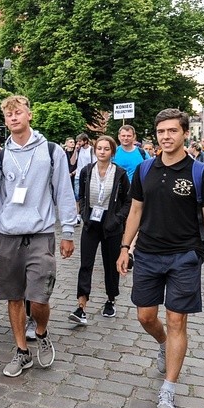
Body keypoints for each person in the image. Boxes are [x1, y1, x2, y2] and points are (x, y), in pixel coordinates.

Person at [117, 109, 204, 408]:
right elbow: (136, 211)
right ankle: (164, 344)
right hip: (148, 254)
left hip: (185, 255)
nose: (166, 137)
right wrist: (125, 247)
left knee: (177, 319)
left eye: (172, 131)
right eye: (161, 132)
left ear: (184, 133)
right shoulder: (144, 170)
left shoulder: (200, 172)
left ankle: (168, 388)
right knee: (145, 316)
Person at [0, 95, 77, 378]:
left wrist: (69, 232)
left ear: (29, 115)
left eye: (18, 113)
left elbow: (63, 191)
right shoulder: (0, 157)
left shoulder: (50, 151)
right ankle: (22, 351)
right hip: (9, 234)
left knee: (38, 298)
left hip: (41, 233)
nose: (13, 118)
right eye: (8, 115)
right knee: (14, 297)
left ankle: (41, 330)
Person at [72, 135, 130, 324]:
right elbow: (81, 195)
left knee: (110, 265)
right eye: (99, 148)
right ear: (95, 150)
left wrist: (118, 218)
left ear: (112, 152)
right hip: (91, 222)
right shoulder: (87, 171)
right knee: (85, 264)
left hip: (111, 223)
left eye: (106, 149)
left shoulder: (120, 174)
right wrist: (83, 214)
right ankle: (81, 306)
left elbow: (128, 201)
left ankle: (110, 299)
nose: (102, 152)